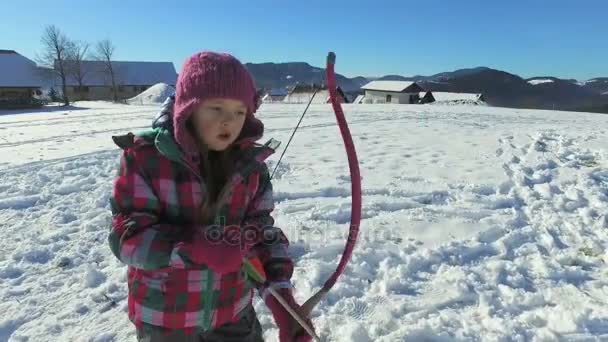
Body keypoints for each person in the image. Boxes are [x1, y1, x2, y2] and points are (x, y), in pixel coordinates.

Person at [108, 51, 313, 341]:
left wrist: (282, 301)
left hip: (233, 314)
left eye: (239, 112)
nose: (228, 121)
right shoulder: (146, 160)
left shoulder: (251, 169)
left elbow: (260, 234)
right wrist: (192, 247)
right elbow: (126, 238)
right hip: (167, 321)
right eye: (216, 108)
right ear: (188, 109)